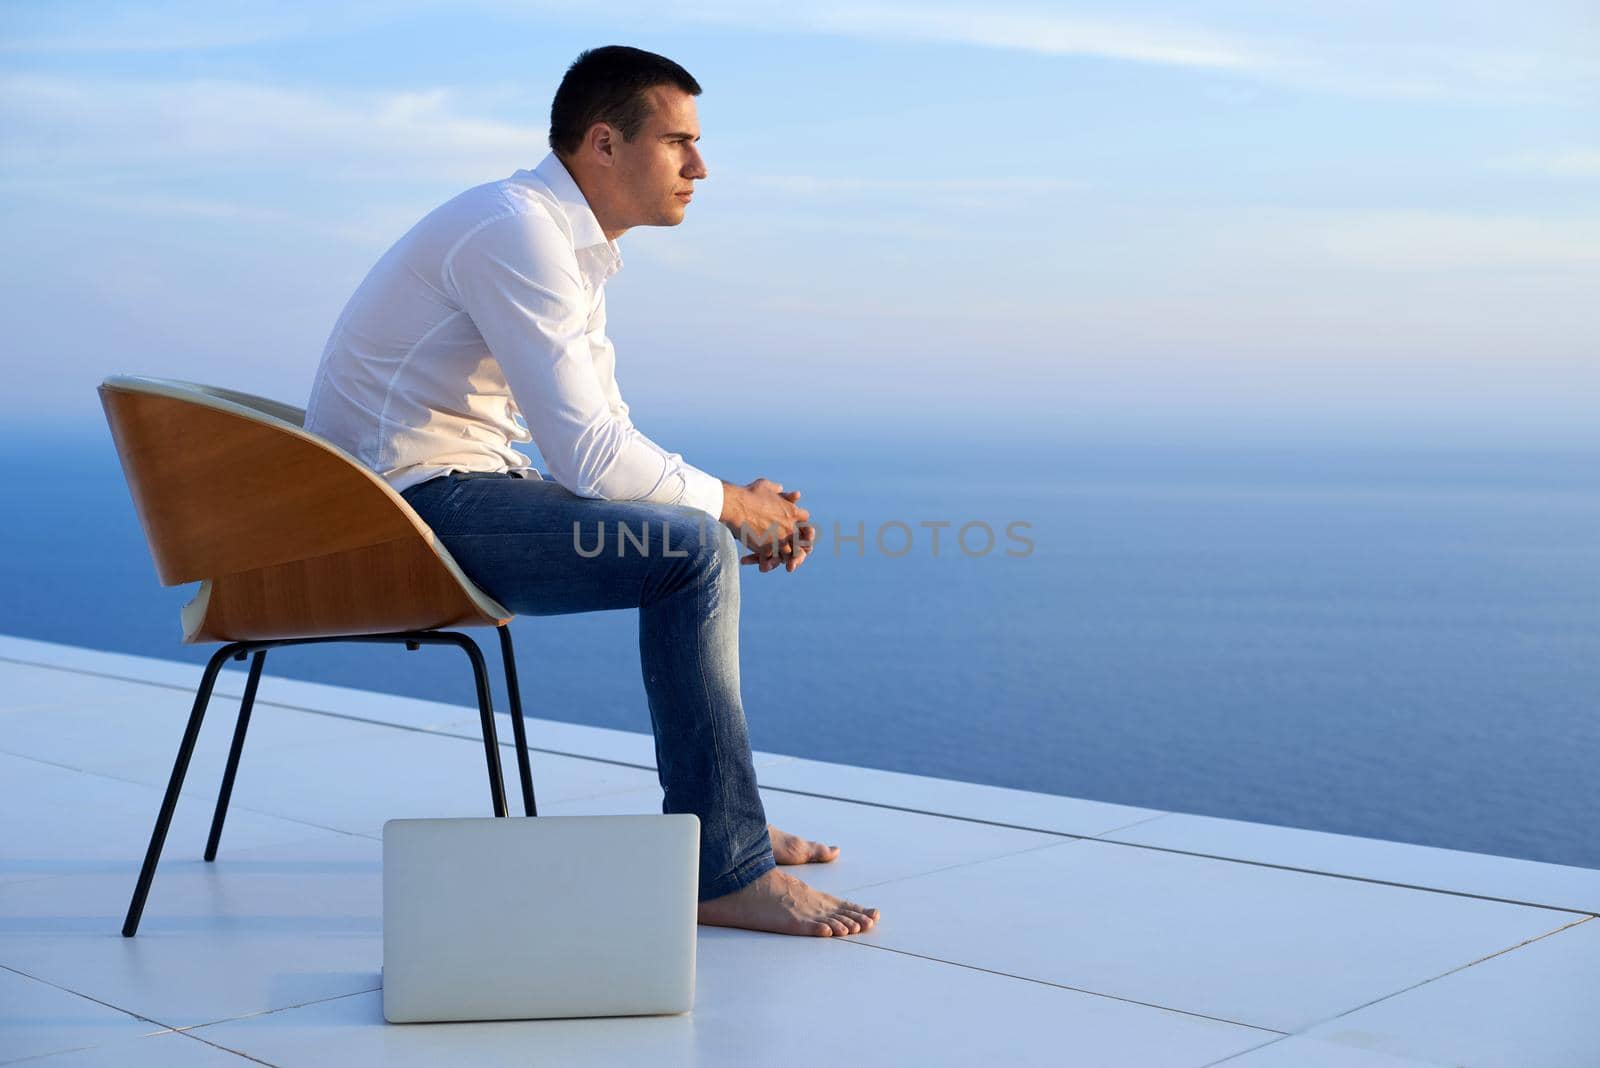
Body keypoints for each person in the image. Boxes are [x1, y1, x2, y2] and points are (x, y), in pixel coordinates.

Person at [304, 45, 879, 938]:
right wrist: (731, 505)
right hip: (399, 517)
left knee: (692, 536)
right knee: (689, 550)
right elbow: (590, 456)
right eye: (679, 142)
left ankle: (722, 826)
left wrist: (732, 501)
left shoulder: (567, 242)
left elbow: (602, 435)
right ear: (604, 144)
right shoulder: (519, 230)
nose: (701, 167)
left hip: (440, 494)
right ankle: (722, 864)